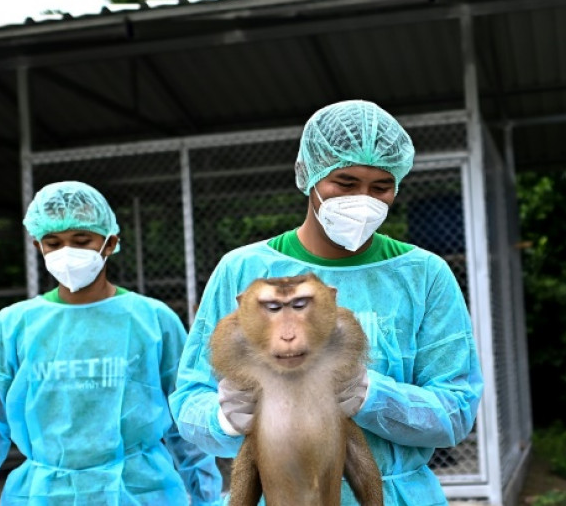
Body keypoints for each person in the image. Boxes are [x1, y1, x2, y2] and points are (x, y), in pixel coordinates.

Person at [169, 100, 484, 505]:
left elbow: (456, 409)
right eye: (346, 183)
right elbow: (190, 396)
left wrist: (374, 396)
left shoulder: (423, 275)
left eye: (381, 187)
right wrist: (223, 417)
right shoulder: (243, 269)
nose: (363, 200)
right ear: (309, 176)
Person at [0, 181, 223, 506]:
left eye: (81, 240)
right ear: (37, 245)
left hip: (142, 493)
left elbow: (187, 420)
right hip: (43, 496)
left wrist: (206, 497)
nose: (66, 253)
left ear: (109, 243)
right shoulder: (12, 327)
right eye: (52, 242)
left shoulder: (153, 320)